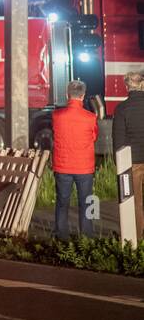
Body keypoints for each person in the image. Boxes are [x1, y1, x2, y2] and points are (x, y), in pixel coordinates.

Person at [51, 80, 97, 241]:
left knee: (62, 203)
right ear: (83, 96)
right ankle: (87, 237)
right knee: (87, 202)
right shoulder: (90, 117)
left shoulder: (57, 116)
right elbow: (94, 137)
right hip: (84, 168)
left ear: (67, 95)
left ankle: (61, 237)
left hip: (62, 167)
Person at [111, 70, 144, 242]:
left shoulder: (122, 108)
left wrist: (119, 164)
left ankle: (137, 240)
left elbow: (118, 140)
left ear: (127, 86)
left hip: (134, 163)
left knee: (136, 204)